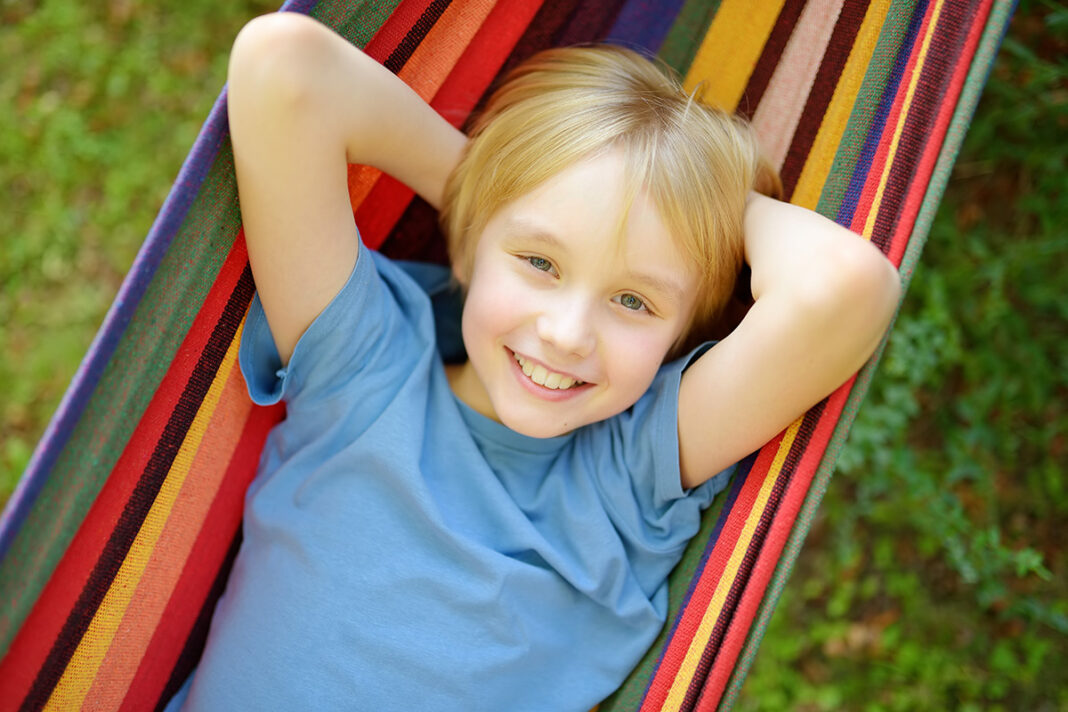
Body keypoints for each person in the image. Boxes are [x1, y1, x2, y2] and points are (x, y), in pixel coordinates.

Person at [166, 11, 901, 711]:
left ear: (680, 340)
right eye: (540, 262)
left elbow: (845, 289)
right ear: (467, 246)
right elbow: (285, 68)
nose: (567, 333)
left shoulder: (625, 485)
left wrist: (694, 187)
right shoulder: (363, 369)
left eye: (633, 301)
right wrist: (489, 192)